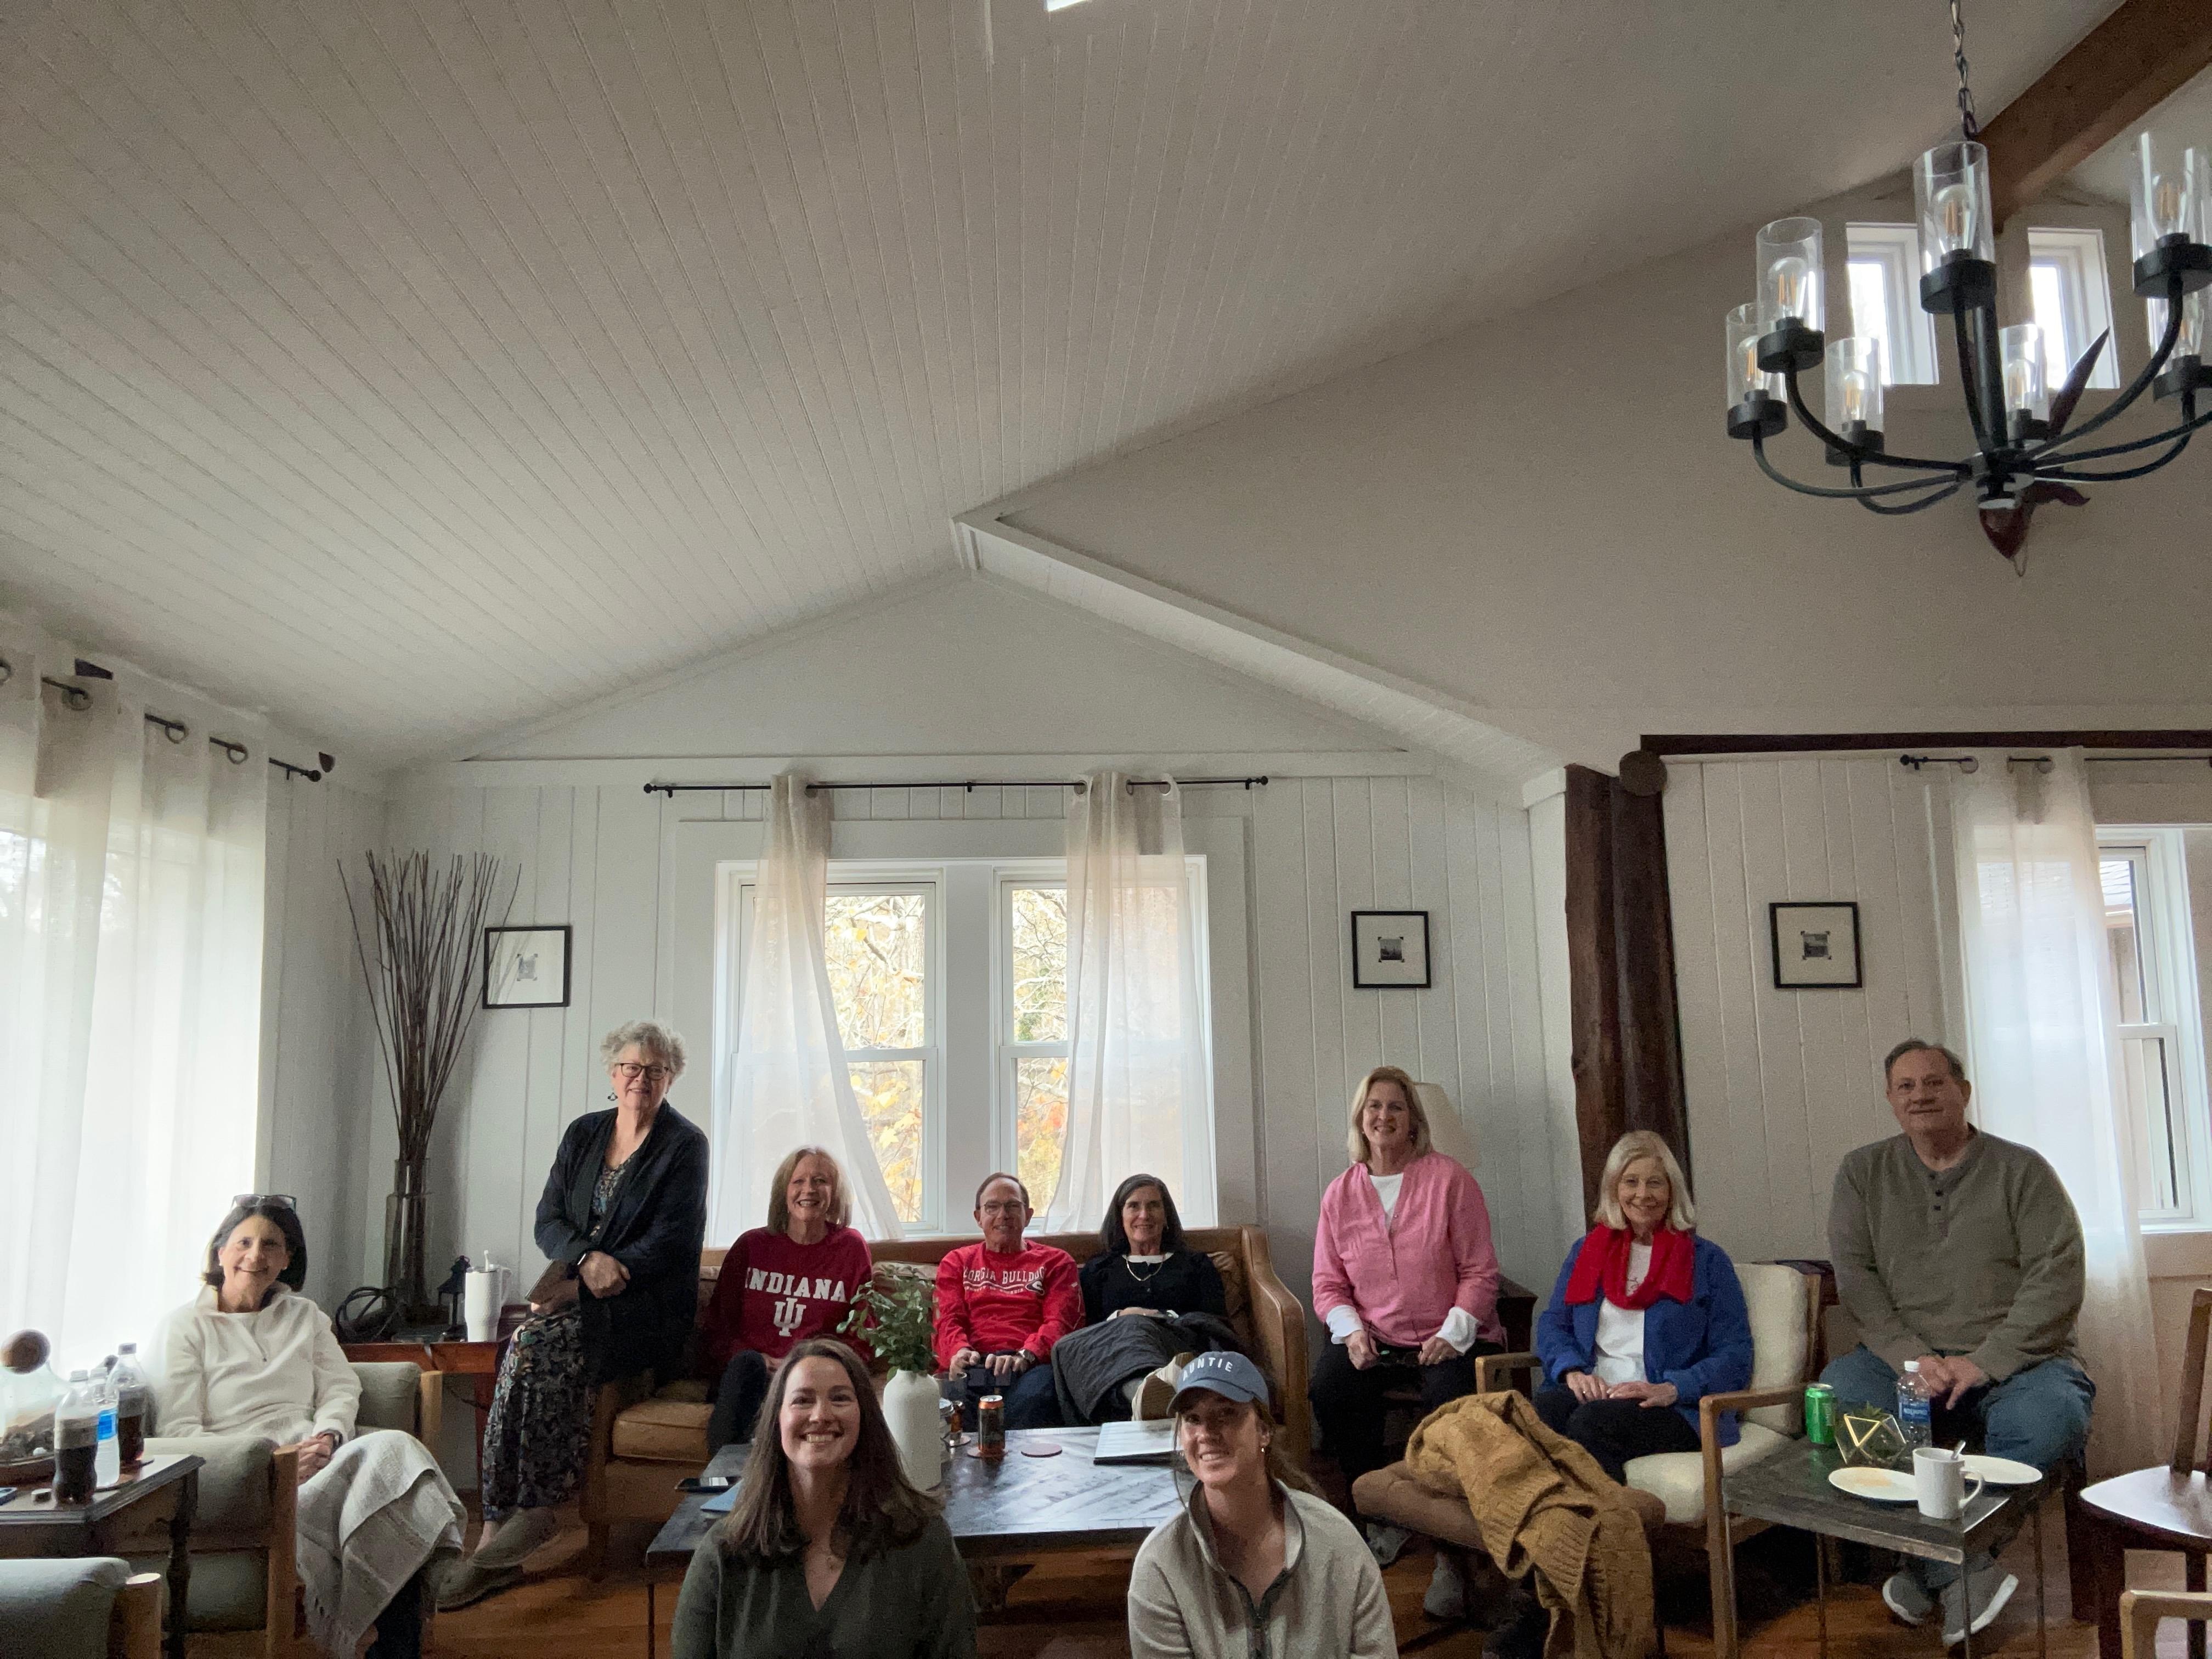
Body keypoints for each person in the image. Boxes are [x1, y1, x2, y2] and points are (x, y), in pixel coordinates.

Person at [1822, 1039, 2092, 1646]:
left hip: (2020, 1361)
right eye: (1906, 1086)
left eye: (1935, 1082)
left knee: (2053, 1419)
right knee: (1843, 1396)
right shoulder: (1862, 1173)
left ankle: (1928, 1571)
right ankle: (1961, 1572)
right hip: (1904, 1361)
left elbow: (2059, 1275)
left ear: (1963, 1092)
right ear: (1891, 1101)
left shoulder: (2022, 1170)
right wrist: (1915, 1358)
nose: (1922, 1095)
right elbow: (1857, 1280)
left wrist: (1985, 1361)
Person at [441, 1020, 710, 1610]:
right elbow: (548, 1221)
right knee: (515, 1350)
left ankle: (537, 1512)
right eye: (633, 1068)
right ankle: (495, 1529)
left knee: (536, 1348)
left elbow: (673, 1239)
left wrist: (607, 1271)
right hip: (582, 1288)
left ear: (671, 1079)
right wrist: (586, 1260)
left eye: (657, 1070)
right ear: (613, 1074)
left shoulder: (684, 1145)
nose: (643, 1079)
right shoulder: (584, 1134)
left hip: (645, 1309)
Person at [152, 1198, 463, 1659]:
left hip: (321, 1452)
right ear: (220, 1252)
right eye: (243, 1243)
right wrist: (273, 1462)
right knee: (376, 1499)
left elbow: (341, 1388)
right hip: (249, 1475)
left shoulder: (305, 1317)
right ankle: (399, 1649)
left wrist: (329, 1437)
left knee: (398, 1455)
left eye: (271, 1245)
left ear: (287, 1259)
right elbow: (180, 1430)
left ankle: (398, 1648)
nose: (255, 1256)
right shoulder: (184, 1327)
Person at [1310, 1063, 1503, 1593]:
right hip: (1377, 1337)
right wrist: (1351, 1333)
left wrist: (1455, 1331)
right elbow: (1328, 1285)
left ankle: (1452, 1546)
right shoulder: (1340, 1195)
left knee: (1450, 1410)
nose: (1384, 1116)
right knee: (1330, 1388)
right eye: (1374, 1106)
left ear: (1413, 1121)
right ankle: (1379, 1516)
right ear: (1360, 1120)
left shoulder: (1450, 1180)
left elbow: (1481, 1272)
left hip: (1452, 1337)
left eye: (1395, 1106)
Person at [670, 1337, 977, 1658]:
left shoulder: (923, 1541)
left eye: (840, 1399)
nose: (821, 1415)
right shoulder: (723, 1552)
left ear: (866, 1418)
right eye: (802, 1400)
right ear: (776, 1421)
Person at [1127, 1351, 1396, 1659]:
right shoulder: (1160, 1564)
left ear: (1264, 1430)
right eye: (1193, 1419)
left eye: (1226, 1413)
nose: (1206, 1434)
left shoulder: (1338, 1542)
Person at [1534, 1130, 1753, 1481]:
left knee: (1592, 1423)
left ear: (1672, 1192)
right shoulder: (1587, 1252)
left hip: (1670, 1404)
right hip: (1599, 1390)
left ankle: (1613, 1531)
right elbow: (1553, 1324)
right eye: (1631, 1182)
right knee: (1542, 1411)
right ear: (1614, 1190)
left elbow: (1735, 1353)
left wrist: (1673, 1387)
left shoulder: (1707, 1261)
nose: (1642, 1195)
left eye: (1655, 1183)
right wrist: (1571, 1371)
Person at [699, 1147, 874, 1453]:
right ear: (784, 1191)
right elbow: (718, 1328)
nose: (809, 1190)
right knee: (747, 1366)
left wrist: (801, 1365)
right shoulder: (751, 1246)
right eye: (799, 1181)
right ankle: (723, 1481)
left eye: (821, 1181)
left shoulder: (851, 1248)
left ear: (835, 1193)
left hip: (815, 1379)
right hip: (752, 1378)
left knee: (806, 1389)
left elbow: (862, 1338)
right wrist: (759, 1360)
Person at [1052, 1174, 1236, 1425]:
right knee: (1067, 1346)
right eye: (1134, 1206)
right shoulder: (1100, 1270)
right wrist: (1120, 1318)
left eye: (1153, 1206)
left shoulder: (1195, 1265)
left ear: (1166, 1215)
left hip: (1177, 1348)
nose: (1144, 1215)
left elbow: (1216, 1323)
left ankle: (1145, 1393)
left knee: (1135, 1325)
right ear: (1120, 1216)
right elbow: (1085, 1330)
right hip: (1112, 1357)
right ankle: (1147, 1393)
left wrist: (1158, 1318)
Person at [933, 1173, 1081, 1431]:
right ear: (978, 1217)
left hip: (1031, 1367)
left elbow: (1060, 1323)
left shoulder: (1056, 1262)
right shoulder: (956, 1262)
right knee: (949, 1407)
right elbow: (947, 1319)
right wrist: (958, 1352)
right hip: (972, 1362)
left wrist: (1025, 1355)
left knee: (1036, 1401)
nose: (1003, 1214)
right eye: (992, 1207)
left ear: (1028, 1214)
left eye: (1013, 1206)